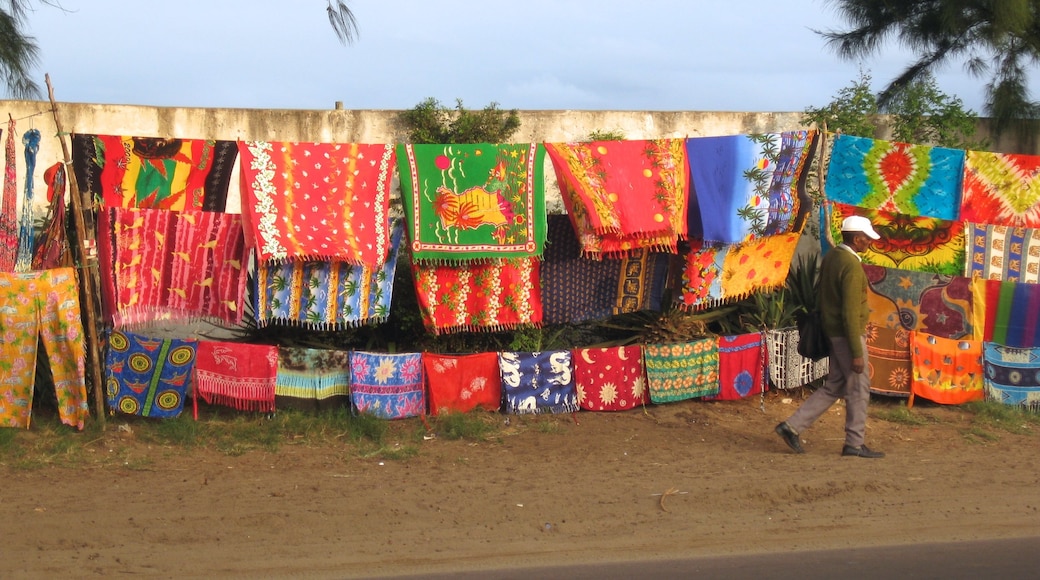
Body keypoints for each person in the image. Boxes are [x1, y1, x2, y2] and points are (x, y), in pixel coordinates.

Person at [775, 215, 885, 459]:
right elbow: (849, 311)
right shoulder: (852, 266)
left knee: (835, 384)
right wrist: (857, 353)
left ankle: (791, 426)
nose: (869, 243)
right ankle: (854, 444)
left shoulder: (833, 257)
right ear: (857, 239)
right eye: (867, 239)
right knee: (859, 388)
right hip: (849, 336)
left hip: (833, 333)